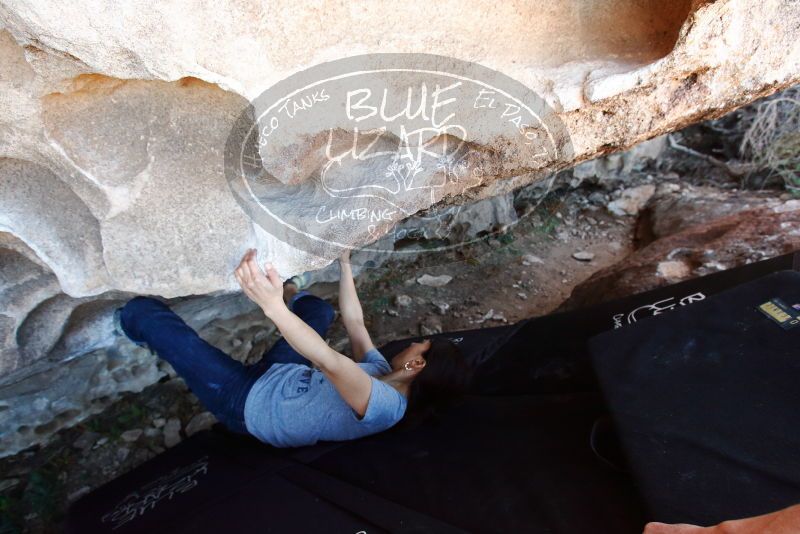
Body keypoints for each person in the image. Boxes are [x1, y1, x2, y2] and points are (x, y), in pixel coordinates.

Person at [114, 248, 472, 448]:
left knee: (144, 313)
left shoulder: (386, 405)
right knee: (319, 310)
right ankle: (288, 290)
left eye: (417, 347)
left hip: (250, 405)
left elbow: (327, 359)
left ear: (418, 367)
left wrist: (271, 306)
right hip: (281, 377)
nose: (409, 344)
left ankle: (128, 325)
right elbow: (356, 324)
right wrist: (344, 261)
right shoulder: (386, 374)